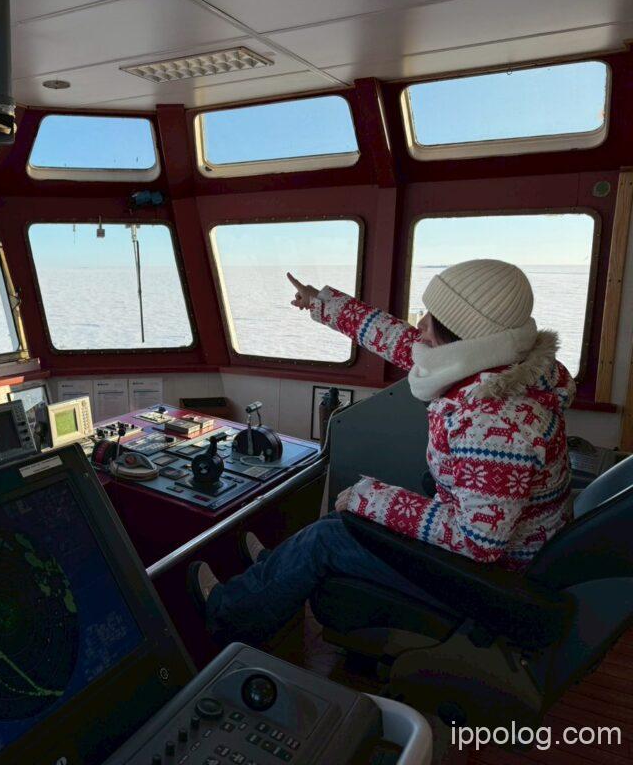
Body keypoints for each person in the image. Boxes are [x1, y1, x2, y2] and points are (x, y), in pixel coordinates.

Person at [188, 259, 576, 646]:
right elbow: (404, 342)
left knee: (327, 537)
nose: (422, 326)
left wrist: (370, 498)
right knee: (341, 524)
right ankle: (274, 571)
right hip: (495, 556)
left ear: (467, 336)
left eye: (434, 320)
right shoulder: (498, 365)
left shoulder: (495, 423)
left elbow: (479, 541)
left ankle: (228, 614)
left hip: (483, 582)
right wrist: (321, 303)